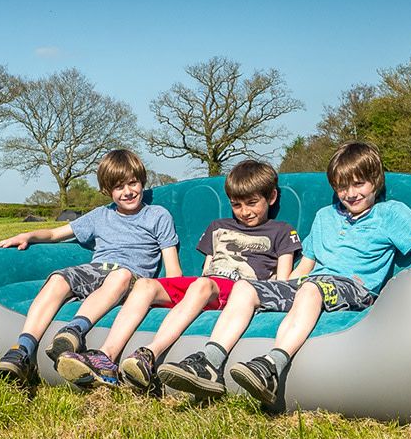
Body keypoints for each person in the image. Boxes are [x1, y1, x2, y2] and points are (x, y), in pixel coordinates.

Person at [158, 141, 411, 407]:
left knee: (312, 289)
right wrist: (275, 289)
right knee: (246, 289)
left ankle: (271, 367)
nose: (350, 194)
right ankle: (209, 363)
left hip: (354, 288)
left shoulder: (390, 214)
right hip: (311, 283)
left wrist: (400, 288)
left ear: (376, 181)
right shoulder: (325, 216)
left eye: (358, 184)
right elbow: (305, 266)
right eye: (342, 187)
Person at [56, 159, 300, 392]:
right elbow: (208, 268)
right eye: (237, 204)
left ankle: (148, 355)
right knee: (145, 285)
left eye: (252, 203)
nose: (244, 211)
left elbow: (281, 281)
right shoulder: (219, 226)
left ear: (271, 197)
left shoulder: (281, 231)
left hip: (238, 291)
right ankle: (106, 358)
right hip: (208, 285)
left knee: (202, 285)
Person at [0, 149, 180, 387]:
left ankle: (74, 332)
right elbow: (54, 233)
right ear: (107, 191)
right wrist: (28, 235)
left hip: (130, 278)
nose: (128, 192)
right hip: (96, 270)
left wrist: (168, 294)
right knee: (58, 279)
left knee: (119, 276)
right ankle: (23, 351)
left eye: (132, 183)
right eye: (119, 187)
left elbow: (173, 269)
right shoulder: (99, 215)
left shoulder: (157, 215)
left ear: (142, 181)